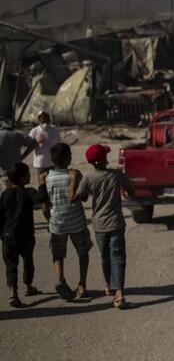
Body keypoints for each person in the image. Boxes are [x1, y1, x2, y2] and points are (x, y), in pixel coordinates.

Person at [73, 144, 133, 309]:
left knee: (104, 256)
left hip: (99, 225)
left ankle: (108, 284)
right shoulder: (116, 174)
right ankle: (119, 292)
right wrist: (127, 193)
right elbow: (130, 191)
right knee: (118, 256)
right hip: (116, 223)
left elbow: (81, 197)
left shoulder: (88, 178)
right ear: (104, 159)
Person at [39, 143, 91, 301]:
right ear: (68, 158)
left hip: (57, 222)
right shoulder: (75, 174)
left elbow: (44, 206)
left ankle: (61, 280)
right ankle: (82, 284)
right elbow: (85, 197)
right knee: (83, 252)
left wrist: (50, 220)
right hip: (77, 222)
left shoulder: (46, 178)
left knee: (58, 254)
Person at [1, 163, 39, 308]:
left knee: (11, 265)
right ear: (23, 178)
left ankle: (12, 292)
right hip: (26, 236)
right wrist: (42, 185)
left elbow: (0, 216)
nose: (30, 176)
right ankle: (28, 286)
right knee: (28, 261)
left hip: (8, 236)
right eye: (28, 174)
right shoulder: (28, 192)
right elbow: (41, 199)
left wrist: (2, 234)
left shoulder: (5, 194)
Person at [0, 119, 36, 184]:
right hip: (18, 171)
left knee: (8, 192)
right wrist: (23, 156)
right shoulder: (18, 134)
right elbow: (33, 143)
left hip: (5, 172)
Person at [28, 111, 61, 179]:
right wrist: (37, 141)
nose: (44, 122)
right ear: (39, 120)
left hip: (52, 162)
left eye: (46, 119)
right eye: (42, 120)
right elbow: (29, 145)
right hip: (40, 163)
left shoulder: (54, 129)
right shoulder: (34, 131)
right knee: (42, 184)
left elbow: (59, 144)